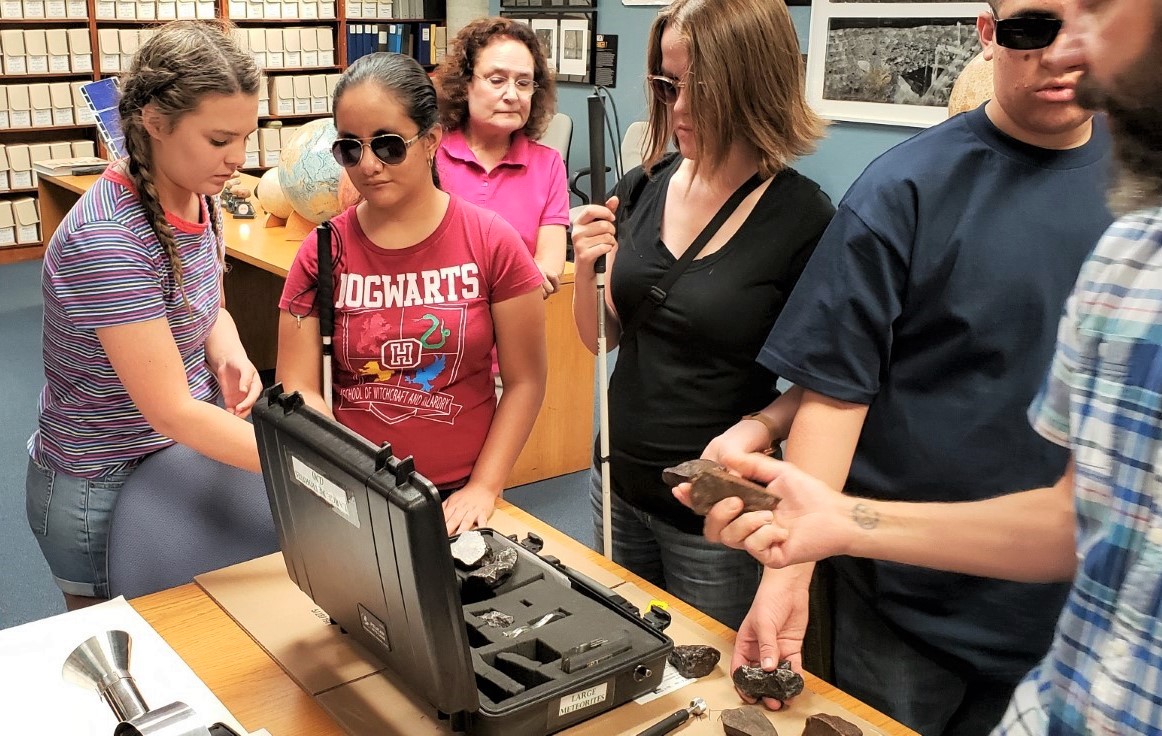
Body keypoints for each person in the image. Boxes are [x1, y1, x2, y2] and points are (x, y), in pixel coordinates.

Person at [690, 1, 1162, 732]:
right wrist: (790, 573)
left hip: (1079, 615)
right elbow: (837, 392)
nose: (1064, 52)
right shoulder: (903, 191)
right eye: (1032, 29)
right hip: (909, 609)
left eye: (1087, 19)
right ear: (987, 32)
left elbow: (1089, 503)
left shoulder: (1139, 208)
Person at [569, 0, 834, 630]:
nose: (678, 110)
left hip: (717, 505)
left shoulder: (804, 219)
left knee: (712, 688)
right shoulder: (645, 184)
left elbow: (827, 381)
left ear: (753, 87)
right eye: (667, 85)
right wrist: (584, 266)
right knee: (619, 658)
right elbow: (600, 338)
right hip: (618, 479)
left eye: (701, 90)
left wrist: (760, 426)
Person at [25, 19, 276, 610]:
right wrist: (297, 464)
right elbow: (171, 410)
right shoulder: (109, 237)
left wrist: (228, 348)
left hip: (180, 457)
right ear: (155, 124)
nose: (238, 159)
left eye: (247, 135)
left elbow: (203, 300)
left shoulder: (199, 192)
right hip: (100, 482)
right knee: (119, 655)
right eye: (219, 141)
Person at [276, 52, 548, 536]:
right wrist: (348, 471)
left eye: (387, 145)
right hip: (353, 495)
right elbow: (299, 389)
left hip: (461, 497)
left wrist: (484, 487)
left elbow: (526, 381)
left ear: (431, 141)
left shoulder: (492, 240)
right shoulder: (321, 251)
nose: (369, 165)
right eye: (350, 149)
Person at [434, 17, 568, 300]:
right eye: (497, 80)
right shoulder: (430, 154)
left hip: (515, 323)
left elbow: (549, 263)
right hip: (439, 328)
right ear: (465, 83)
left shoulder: (549, 164)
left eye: (523, 83)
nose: (512, 95)